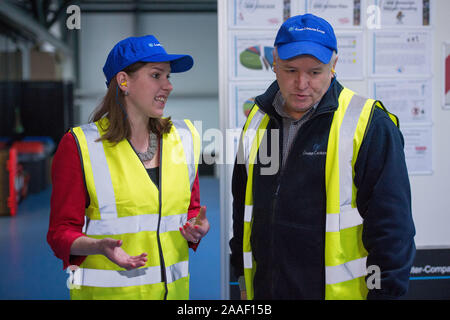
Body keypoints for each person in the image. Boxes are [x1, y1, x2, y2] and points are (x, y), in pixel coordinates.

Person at [229, 14, 416, 300]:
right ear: (274, 63)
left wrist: (384, 295)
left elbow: (392, 233)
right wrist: (242, 282)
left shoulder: (370, 125)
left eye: (315, 72)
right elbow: (243, 211)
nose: (302, 84)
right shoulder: (257, 120)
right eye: (291, 70)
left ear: (334, 66)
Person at [47, 35, 210, 300]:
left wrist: (195, 227)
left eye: (169, 77)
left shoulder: (185, 138)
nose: (168, 86)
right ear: (123, 81)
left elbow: (190, 209)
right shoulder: (80, 145)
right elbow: (60, 233)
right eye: (156, 75)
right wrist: (97, 246)